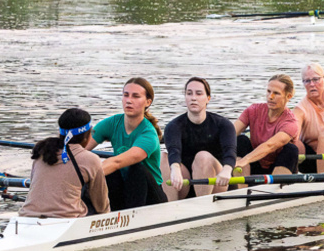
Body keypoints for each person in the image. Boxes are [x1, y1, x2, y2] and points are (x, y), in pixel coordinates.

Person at [86, 77, 167, 210]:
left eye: (136, 96)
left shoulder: (148, 134)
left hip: (151, 199)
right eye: (126, 95)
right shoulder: (111, 123)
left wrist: (82, 178)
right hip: (125, 191)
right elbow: (78, 150)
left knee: (134, 168)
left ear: (148, 102)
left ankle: (129, 218)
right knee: (109, 172)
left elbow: (117, 162)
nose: (129, 100)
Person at [20, 108, 110, 218]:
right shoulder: (91, 159)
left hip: (26, 216)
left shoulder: (42, 152)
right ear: (86, 135)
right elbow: (101, 204)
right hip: (67, 219)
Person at [163, 77, 237, 201]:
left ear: (208, 98)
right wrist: (174, 169)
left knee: (202, 156)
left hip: (218, 182)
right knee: (163, 158)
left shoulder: (224, 124)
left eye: (199, 93)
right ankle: (169, 207)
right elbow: (174, 151)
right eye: (189, 93)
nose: (193, 98)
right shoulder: (173, 126)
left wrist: (227, 169)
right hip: (185, 182)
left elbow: (230, 151)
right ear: (185, 97)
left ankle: (203, 207)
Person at [235, 74, 302, 175]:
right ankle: (241, 188)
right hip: (255, 164)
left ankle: (276, 188)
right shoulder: (253, 110)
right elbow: (231, 132)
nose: (270, 97)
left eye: (276, 93)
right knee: (241, 140)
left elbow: (270, 146)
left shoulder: (291, 123)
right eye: (268, 91)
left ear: (289, 96)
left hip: (279, 166)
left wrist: (244, 160)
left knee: (290, 149)